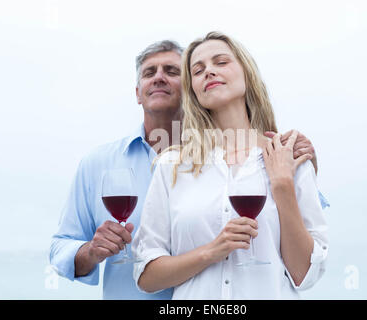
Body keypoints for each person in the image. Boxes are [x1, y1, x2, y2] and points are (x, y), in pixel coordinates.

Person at [50, 39, 326, 300]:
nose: (159, 77)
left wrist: (288, 180)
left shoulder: (284, 155)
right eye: (198, 69)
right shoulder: (162, 165)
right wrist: (90, 252)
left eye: (172, 71)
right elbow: (74, 248)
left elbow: (305, 264)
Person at [132, 32, 328, 299]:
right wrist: (212, 251)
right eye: (198, 71)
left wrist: (282, 185)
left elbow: (305, 275)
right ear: (194, 91)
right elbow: (146, 275)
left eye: (221, 62)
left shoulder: (289, 156)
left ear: (246, 73)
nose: (209, 72)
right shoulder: (171, 166)